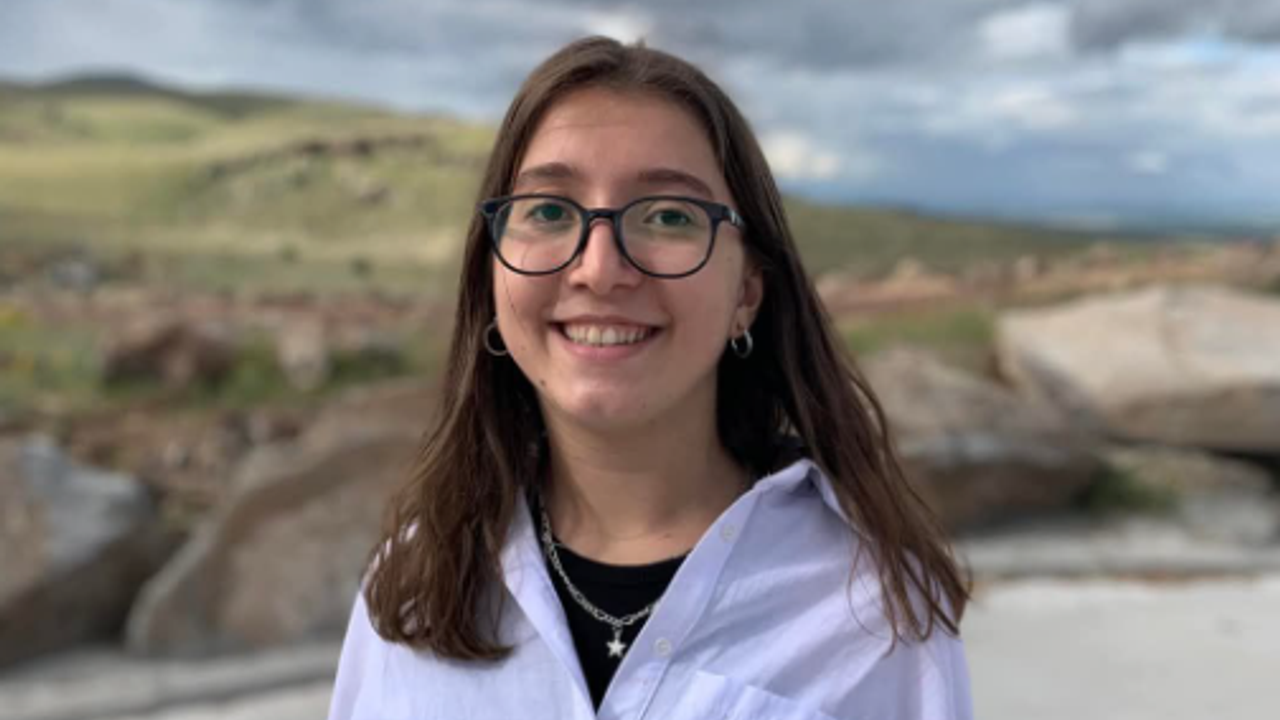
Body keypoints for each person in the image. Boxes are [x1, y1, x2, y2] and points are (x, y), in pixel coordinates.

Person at [328, 35, 972, 720]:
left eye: (668, 216)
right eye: (549, 211)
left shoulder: (874, 612)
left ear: (747, 292)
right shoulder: (412, 585)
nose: (600, 269)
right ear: (491, 274)